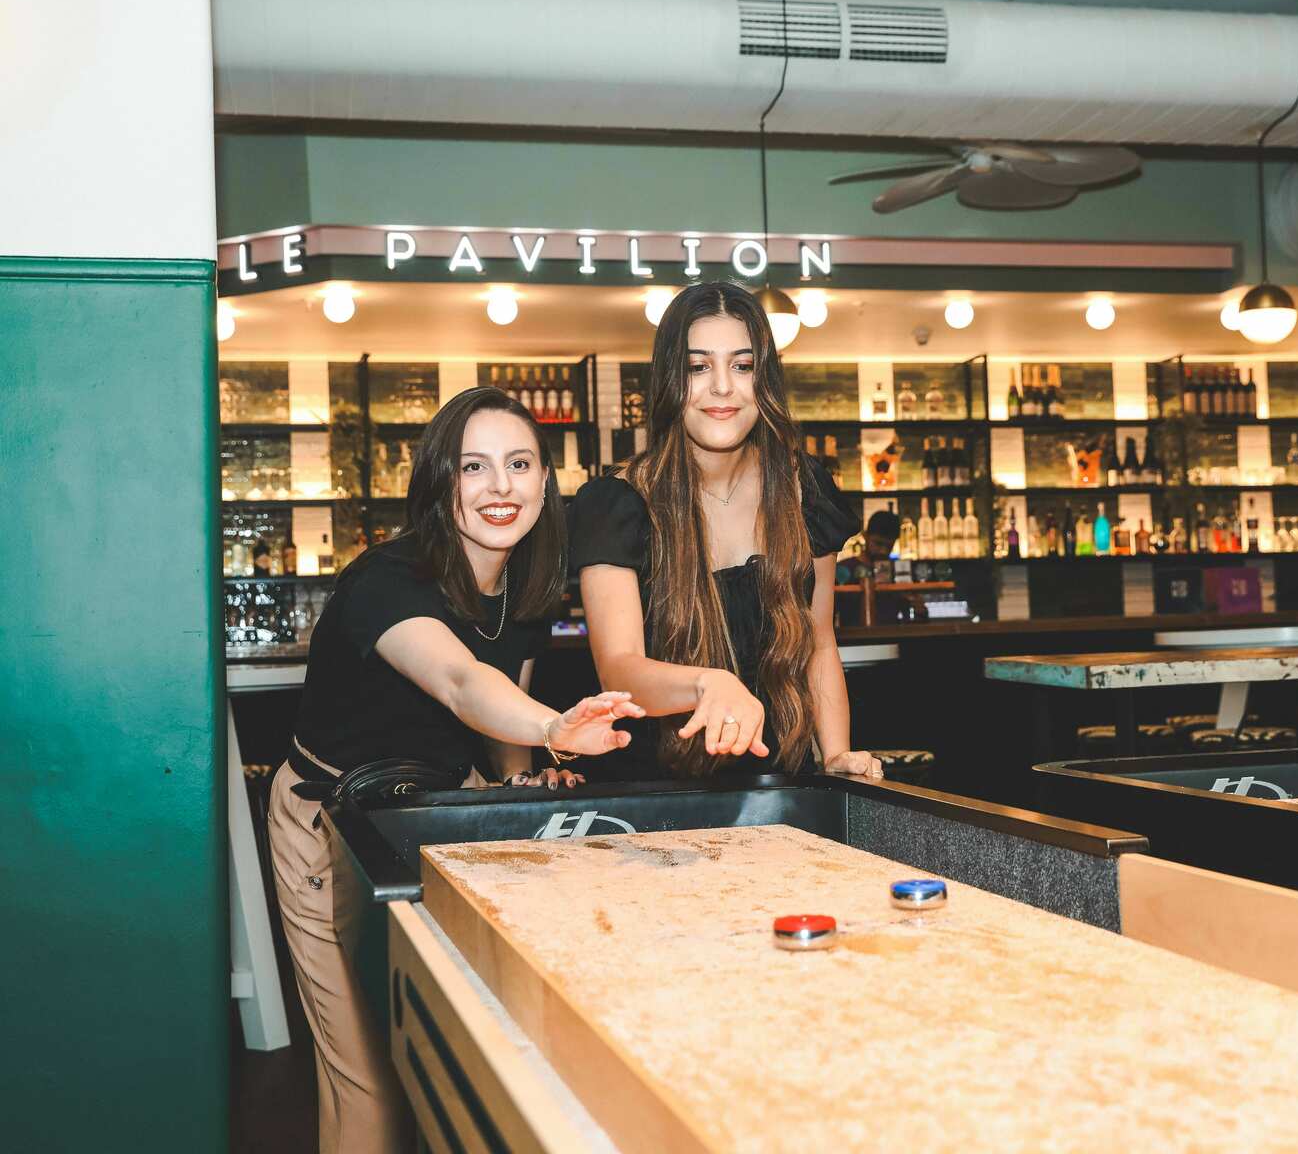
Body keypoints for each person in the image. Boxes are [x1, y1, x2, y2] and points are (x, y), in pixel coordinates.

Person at [268, 386, 644, 1154]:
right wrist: (553, 730)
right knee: (370, 1082)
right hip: (332, 826)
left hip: (438, 816)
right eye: (475, 467)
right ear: (441, 483)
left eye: (518, 464)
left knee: (455, 1062)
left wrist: (524, 772)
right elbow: (462, 682)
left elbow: (501, 708)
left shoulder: (528, 587)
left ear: (546, 480)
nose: (500, 487)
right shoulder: (387, 579)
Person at [569, 279, 883, 780]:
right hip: (659, 794)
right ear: (671, 380)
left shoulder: (805, 491)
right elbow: (619, 669)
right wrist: (706, 684)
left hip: (782, 781)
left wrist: (837, 752)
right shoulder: (617, 504)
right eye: (698, 367)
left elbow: (820, 643)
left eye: (742, 366)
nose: (722, 387)